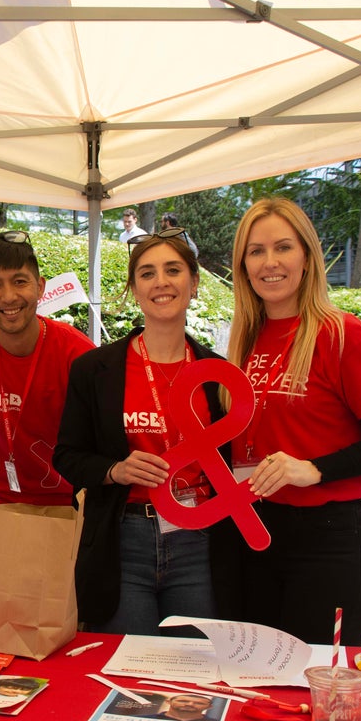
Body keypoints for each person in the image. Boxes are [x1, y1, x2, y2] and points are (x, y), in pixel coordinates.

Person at [225, 197, 361, 645]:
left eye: (283, 247)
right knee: (260, 691)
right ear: (243, 265)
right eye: (256, 251)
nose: (270, 262)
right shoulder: (244, 341)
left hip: (329, 542)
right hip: (257, 537)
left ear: (307, 258)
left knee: (316, 693)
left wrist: (313, 469)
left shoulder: (342, 335)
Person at [54, 227, 228, 634]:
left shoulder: (220, 374)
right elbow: (66, 455)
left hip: (199, 540)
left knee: (196, 674)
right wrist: (115, 470)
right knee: (128, 675)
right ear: (134, 289)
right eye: (147, 273)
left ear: (194, 282)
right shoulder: (94, 370)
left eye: (173, 270)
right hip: (122, 541)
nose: (161, 282)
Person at [0, 230, 95, 609]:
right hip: (5, 514)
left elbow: (99, 451)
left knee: (59, 626)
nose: (8, 297)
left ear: (40, 287)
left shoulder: (77, 353)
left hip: (69, 513)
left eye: (20, 282)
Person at [153, 694, 219, 721]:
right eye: (183, 701)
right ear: (168, 702)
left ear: (210, 707)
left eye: (199, 703)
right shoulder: (147, 718)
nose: (190, 704)